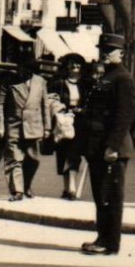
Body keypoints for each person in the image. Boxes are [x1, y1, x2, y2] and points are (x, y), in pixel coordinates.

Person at [79, 33, 135, 255]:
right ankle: (102, 237)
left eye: (110, 50)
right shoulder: (106, 76)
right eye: (102, 49)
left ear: (121, 53)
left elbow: (124, 116)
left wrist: (113, 147)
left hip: (111, 148)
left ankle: (110, 243)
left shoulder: (123, 78)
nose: (104, 53)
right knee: (101, 196)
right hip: (98, 146)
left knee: (110, 197)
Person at [0, 51, 50, 200]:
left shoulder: (41, 81)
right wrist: (0, 126)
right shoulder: (8, 81)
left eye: (30, 70)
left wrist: (47, 127)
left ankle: (26, 185)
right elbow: (0, 104)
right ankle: (17, 191)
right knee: (14, 159)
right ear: (18, 67)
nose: (27, 73)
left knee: (33, 160)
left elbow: (46, 105)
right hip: (14, 125)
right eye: (24, 69)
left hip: (34, 126)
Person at [49, 55, 88, 200]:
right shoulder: (59, 83)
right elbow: (51, 99)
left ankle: (72, 188)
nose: (75, 67)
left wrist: (81, 110)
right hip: (63, 122)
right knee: (62, 154)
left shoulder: (85, 84)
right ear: (67, 66)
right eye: (72, 64)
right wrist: (61, 108)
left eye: (78, 64)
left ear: (82, 67)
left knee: (74, 154)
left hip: (79, 123)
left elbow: (89, 103)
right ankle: (66, 188)